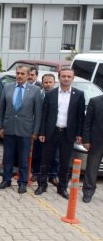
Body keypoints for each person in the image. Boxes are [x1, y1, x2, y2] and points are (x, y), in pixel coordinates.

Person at [36, 67, 85, 198]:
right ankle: (42, 185)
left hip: (67, 134)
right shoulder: (50, 94)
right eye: (63, 76)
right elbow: (44, 115)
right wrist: (42, 132)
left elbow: (80, 117)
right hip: (51, 132)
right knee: (45, 160)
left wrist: (79, 134)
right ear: (59, 78)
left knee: (64, 162)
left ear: (72, 78)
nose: (66, 78)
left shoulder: (79, 95)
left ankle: (62, 187)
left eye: (69, 76)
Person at [0, 65, 43, 194]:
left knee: (23, 158)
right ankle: (6, 179)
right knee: (8, 157)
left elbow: (38, 113)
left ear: (28, 75)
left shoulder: (35, 90)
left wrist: (35, 131)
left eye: (22, 73)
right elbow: (1, 109)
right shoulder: (7, 88)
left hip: (25, 130)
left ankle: (22, 182)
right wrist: (0, 126)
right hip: (9, 128)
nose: (19, 76)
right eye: (18, 73)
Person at [31, 73, 58, 184]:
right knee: (37, 152)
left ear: (54, 83)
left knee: (55, 154)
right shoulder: (38, 95)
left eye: (50, 82)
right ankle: (36, 173)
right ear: (42, 83)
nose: (47, 85)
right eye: (45, 82)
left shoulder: (58, 95)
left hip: (54, 129)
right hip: (38, 128)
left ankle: (53, 175)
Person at [82, 94, 103, 203]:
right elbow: (87, 122)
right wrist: (86, 140)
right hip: (96, 141)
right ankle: (88, 192)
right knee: (92, 168)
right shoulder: (95, 101)